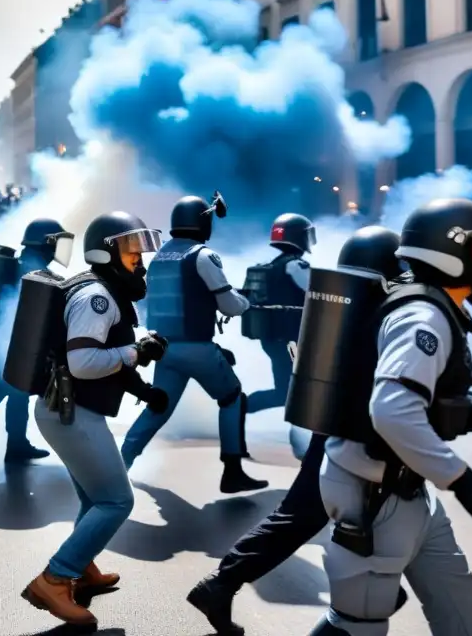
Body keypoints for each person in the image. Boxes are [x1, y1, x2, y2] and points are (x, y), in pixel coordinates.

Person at [310, 199, 472, 635]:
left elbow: (432, 405)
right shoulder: (424, 317)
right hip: (372, 493)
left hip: (405, 488)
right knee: (358, 624)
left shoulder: (435, 309)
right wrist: (468, 484)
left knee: (461, 611)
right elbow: (392, 411)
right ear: (449, 252)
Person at [187, 226, 405, 636]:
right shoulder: (378, 309)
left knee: (308, 513)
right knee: (320, 513)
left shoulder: (345, 301)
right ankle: (224, 584)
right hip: (352, 431)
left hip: (338, 424)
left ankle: (222, 584)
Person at [21, 211, 170, 627]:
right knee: (116, 500)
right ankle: (55, 578)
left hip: (67, 409)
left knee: (93, 496)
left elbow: (101, 357)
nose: (139, 259)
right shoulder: (96, 298)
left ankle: (81, 566)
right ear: (104, 252)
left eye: (140, 250)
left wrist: (141, 388)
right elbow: (84, 362)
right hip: (72, 411)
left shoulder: (98, 289)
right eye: (130, 250)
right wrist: (136, 352)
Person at [122, 195, 266, 492]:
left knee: (157, 409)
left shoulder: (159, 257)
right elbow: (229, 307)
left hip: (162, 347)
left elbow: (147, 305)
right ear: (203, 222)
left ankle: (119, 465)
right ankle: (233, 471)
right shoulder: (203, 256)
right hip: (197, 347)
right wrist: (247, 301)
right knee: (232, 398)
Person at [0, 218, 75, 463]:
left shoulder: (25, 264)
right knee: (11, 386)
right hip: (2, 336)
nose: (57, 250)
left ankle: (16, 445)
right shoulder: (33, 271)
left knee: (17, 390)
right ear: (46, 244)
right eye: (55, 243)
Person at [241, 212, 316, 459]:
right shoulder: (296, 266)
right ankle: (238, 408)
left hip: (275, 339)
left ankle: (237, 410)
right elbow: (317, 292)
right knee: (289, 393)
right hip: (289, 341)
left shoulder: (273, 266)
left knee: (292, 391)